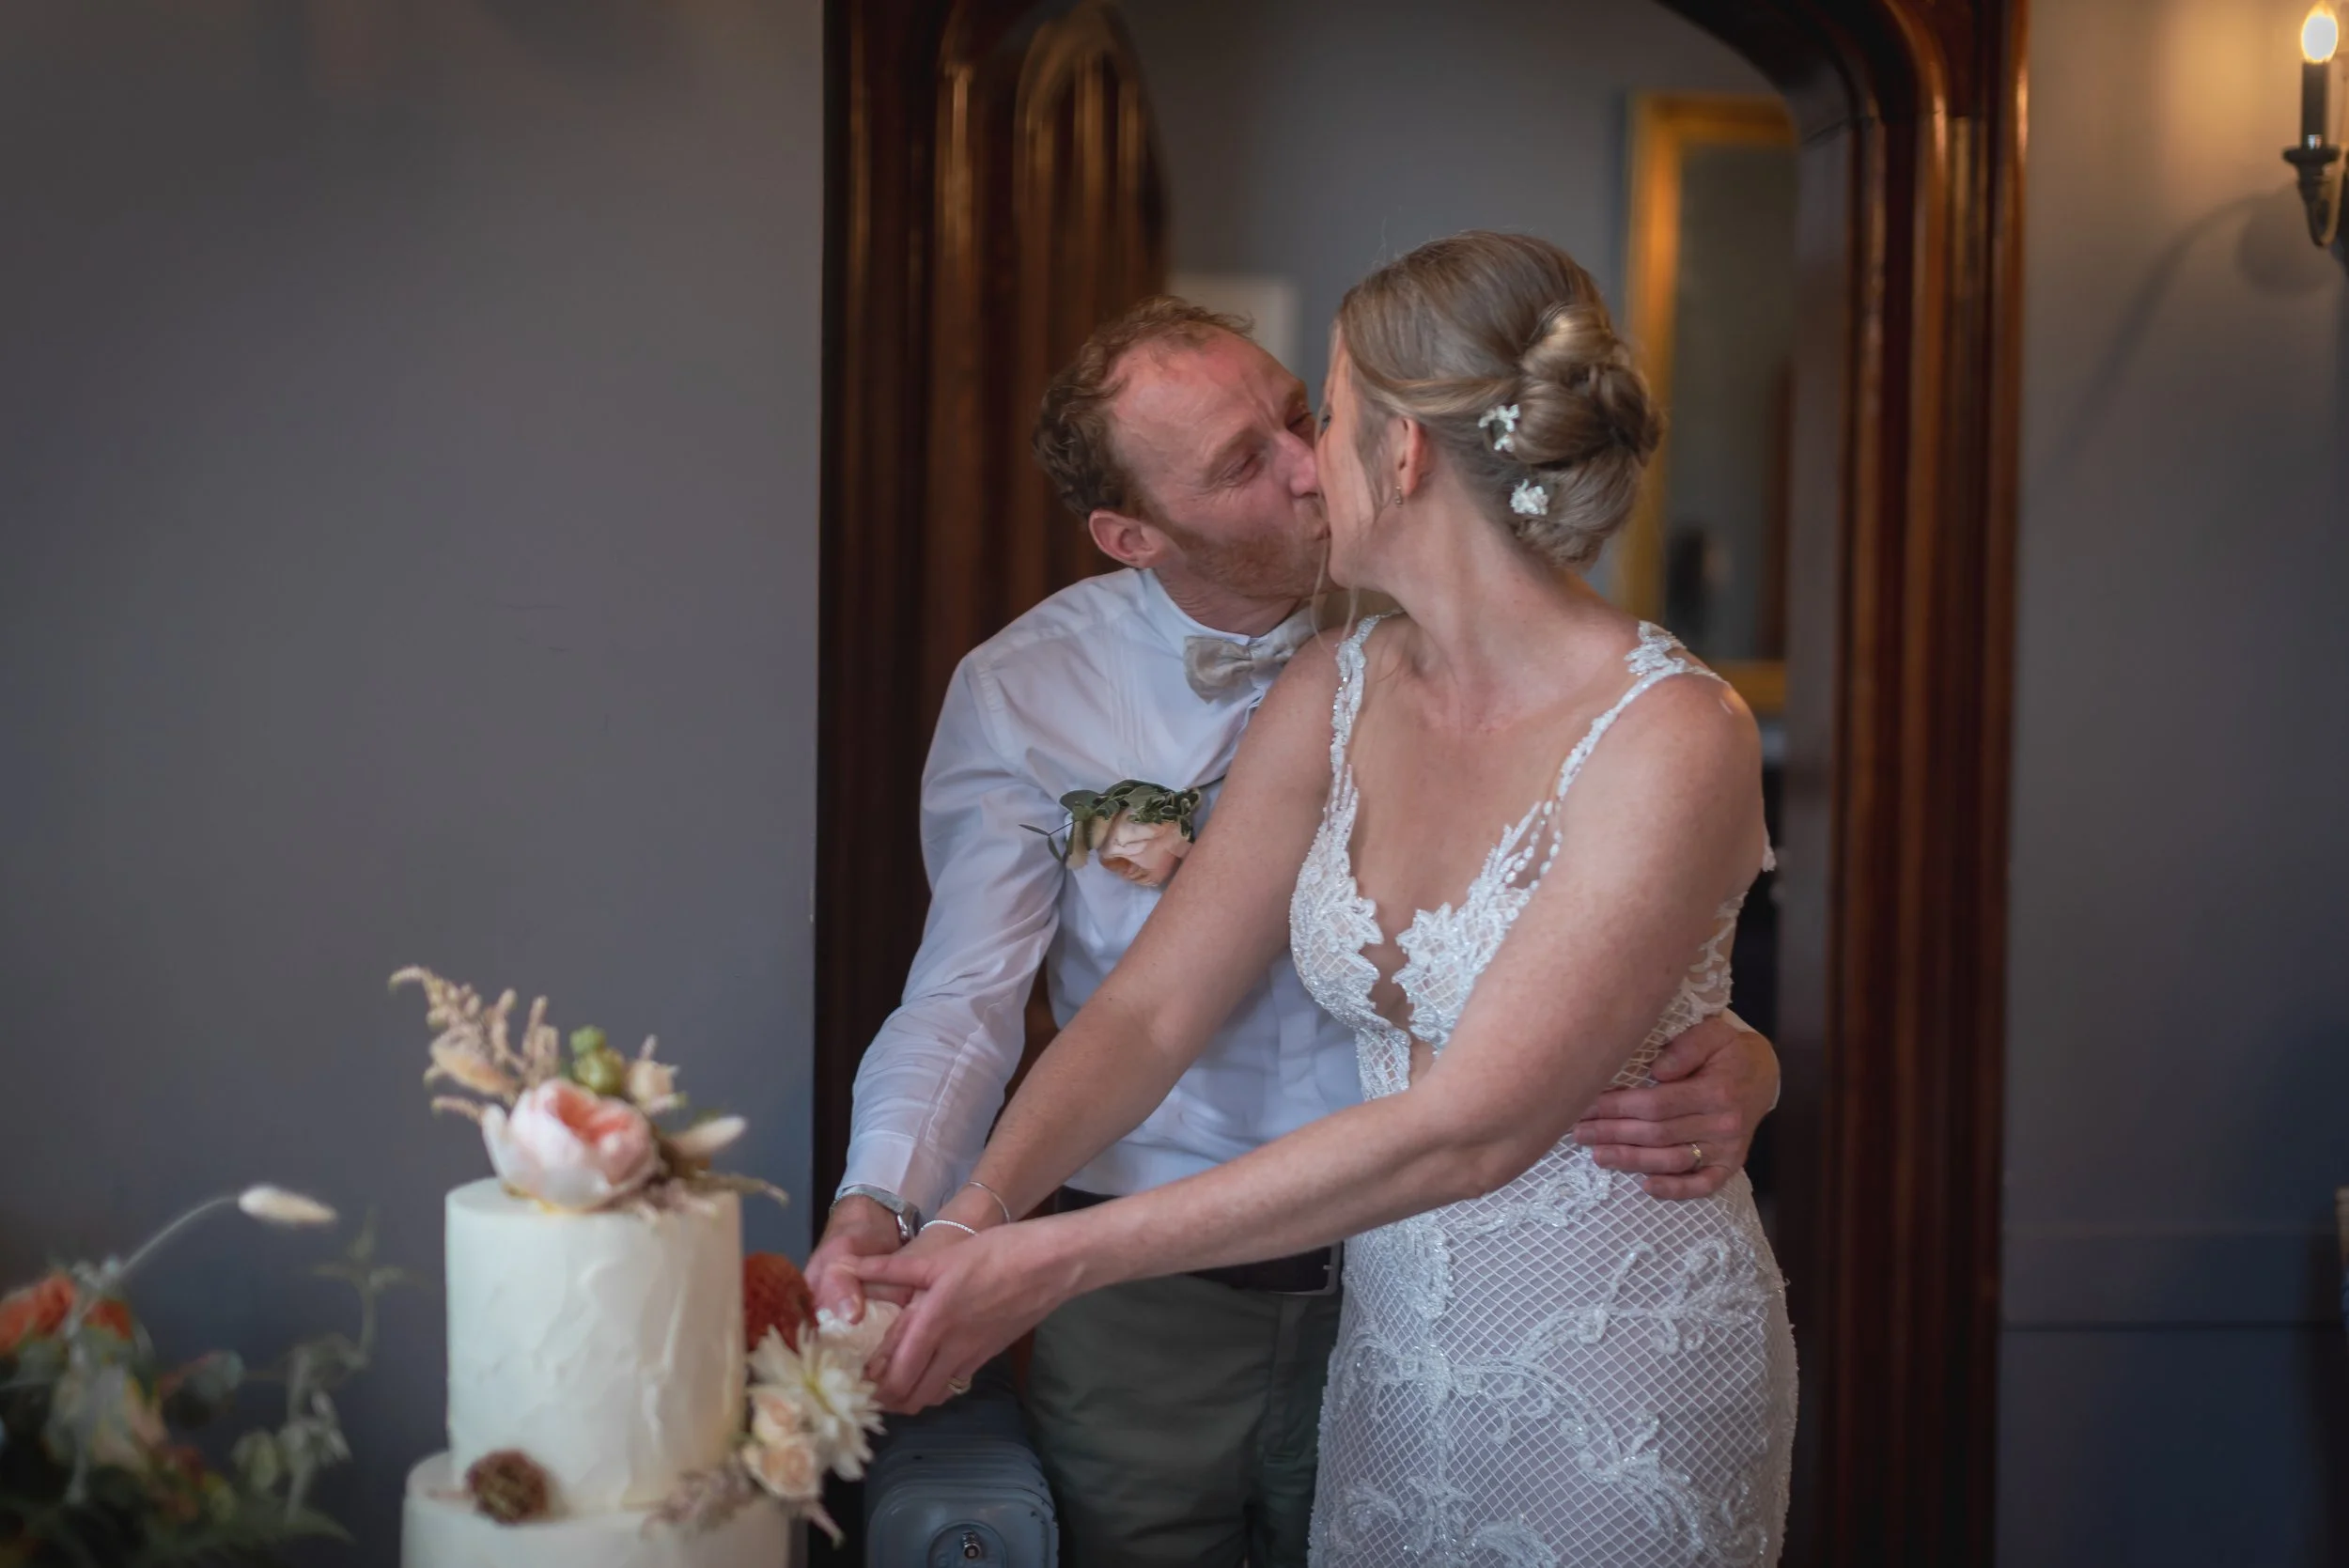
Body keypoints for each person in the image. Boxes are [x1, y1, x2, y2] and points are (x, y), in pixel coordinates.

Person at [856, 234, 1797, 1567]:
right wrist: (969, 1218)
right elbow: (1149, 1008)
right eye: (1254, 457)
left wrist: (1054, 1263)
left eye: (1322, 414)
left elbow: (1475, 1125)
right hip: (1394, 1361)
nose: (1309, 462)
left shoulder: (1672, 731)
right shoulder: (1336, 689)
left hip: (1609, 1366)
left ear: (1399, 456)